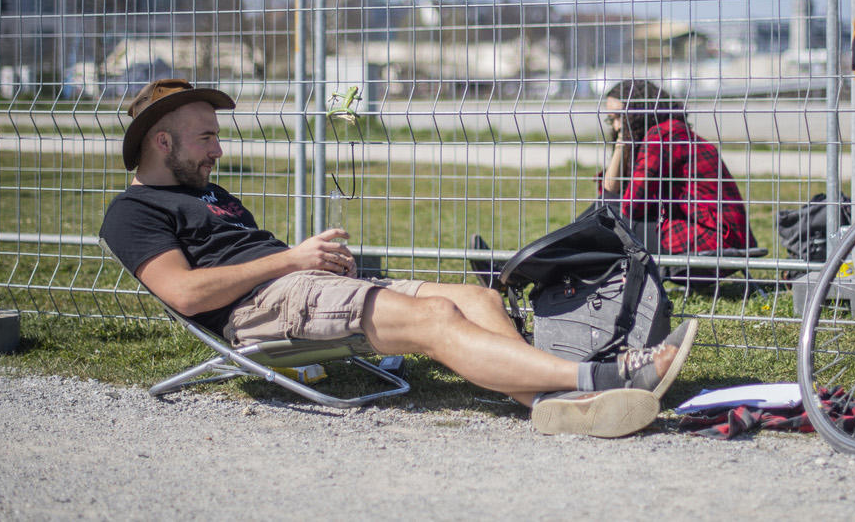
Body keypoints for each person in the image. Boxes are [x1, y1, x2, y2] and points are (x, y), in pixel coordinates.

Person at [99, 79, 697, 439]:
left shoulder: (210, 197)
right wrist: (291, 262)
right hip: (257, 311)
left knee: (479, 298)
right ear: (162, 142)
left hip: (298, 287)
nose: (219, 149)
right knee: (436, 317)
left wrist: (314, 264)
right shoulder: (133, 213)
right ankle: (606, 376)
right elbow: (184, 294)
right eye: (206, 137)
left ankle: (553, 405)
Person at [598, 80, 756, 256]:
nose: (617, 126)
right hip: (728, 236)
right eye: (612, 119)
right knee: (607, 211)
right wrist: (623, 141)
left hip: (712, 239)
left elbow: (629, 206)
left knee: (607, 215)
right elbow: (612, 189)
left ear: (640, 111)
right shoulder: (671, 131)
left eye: (622, 116)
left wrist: (623, 139)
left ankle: (568, 257)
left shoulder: (661, 137)